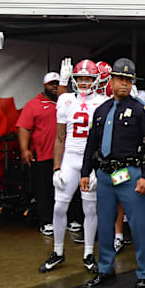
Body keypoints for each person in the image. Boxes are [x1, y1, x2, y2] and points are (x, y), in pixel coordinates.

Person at [80, 58, 145, 288]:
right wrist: (85, 172)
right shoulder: (101, 110)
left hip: (130, 174)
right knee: (104, 224)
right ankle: (105, 270)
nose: (123, 84)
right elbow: (91, 142)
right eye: (119, 79)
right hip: (104, 174)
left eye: (128, 80)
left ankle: (144, 275)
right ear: (111, 80)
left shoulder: (140, 109)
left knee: (139, 226)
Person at [39, 60, 107, 274]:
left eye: (88, 78)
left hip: (90, 161)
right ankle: (58, 251)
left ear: (96, 80)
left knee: (89, 209)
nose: (84, 83)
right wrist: (56, 167)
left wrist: (98, 167)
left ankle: (88, 253)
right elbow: (60, 137)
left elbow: (105, 140)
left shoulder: (103, 102)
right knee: (59, 207)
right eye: (80, 79)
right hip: (70, 158)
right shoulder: (66, 100)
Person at [17, 72, 60, 236]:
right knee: (44, 190)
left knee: (63, 190)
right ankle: (46, 221)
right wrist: (24, 149)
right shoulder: (33, 105)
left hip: (64, 157)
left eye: (57, 83)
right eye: (51, 83)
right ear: (44, 85)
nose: (54, 86)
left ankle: (70, 220)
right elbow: (24, 128)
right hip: (43, 155)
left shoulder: (66, 102)